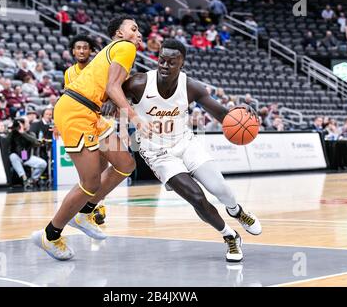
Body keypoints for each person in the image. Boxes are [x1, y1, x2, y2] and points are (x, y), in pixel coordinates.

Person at [120, 39, 261, 262]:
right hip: (157, 153)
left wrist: (244, 113)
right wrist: (112, 102)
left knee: (220, 188)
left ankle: (236, 211)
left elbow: (223, 114)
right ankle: (230, 236)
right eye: (161, 60)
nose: (165, 66)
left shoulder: (192, 87)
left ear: (182, 63)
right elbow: (114, 94)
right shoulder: (138, 83)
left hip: (186, 144)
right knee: (196, 197)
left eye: (171, 62)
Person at [31, 15, 148, 261]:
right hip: (76, 111)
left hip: (90, 112)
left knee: (126, 164)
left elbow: (109, 91)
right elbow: (112, 89)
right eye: (133, 29)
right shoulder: (126, 47)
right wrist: (135, 118)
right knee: (90, 183)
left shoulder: (114, 50)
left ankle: (86, 211)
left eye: (140, 31)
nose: (138, 34)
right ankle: (50, 235)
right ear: (119, 33)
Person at [7, 117, 47, 188]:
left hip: (26, 157)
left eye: (25, 123)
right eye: (26, 123)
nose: (28, 124)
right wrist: (11, 129)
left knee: (43, 163)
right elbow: (7, 141)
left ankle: (32, 179)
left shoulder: (31, 133)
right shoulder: (13, 134)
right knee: (12, 156)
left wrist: (23, 133)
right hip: (17, 157)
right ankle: (24, 178)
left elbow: (36, 142)